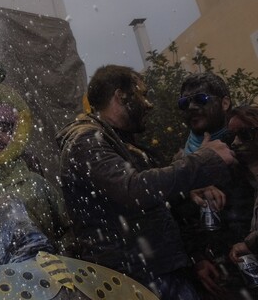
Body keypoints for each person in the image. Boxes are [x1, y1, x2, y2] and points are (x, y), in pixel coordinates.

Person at [0, 63, 157, 300]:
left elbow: (69, 232)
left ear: (17, 129)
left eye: (4, 128)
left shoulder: (36, 182)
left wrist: (60, 260)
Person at [55, 64, 236, 300]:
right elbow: (133, 190)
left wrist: (186, 192)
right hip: (134, 278)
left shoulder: (123, 143)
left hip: (158, 271)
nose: (148, 104)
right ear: (120, 96)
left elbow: (153, 198)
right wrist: (203, 160)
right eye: (143, 94)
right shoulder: (86, 141)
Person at [174, 73, 254, 299]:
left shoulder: (248, 142)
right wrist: (197, 258)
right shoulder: (181, 162)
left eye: (200, 99)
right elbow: (179, 219)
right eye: (184, 102)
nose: (191, 107)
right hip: (220, 278)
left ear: (225, 103)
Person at [228, 106, 258, 290]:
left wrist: (250, 244)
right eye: (233, 135)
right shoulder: (240, 176)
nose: (235, 142)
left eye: (245, 134)